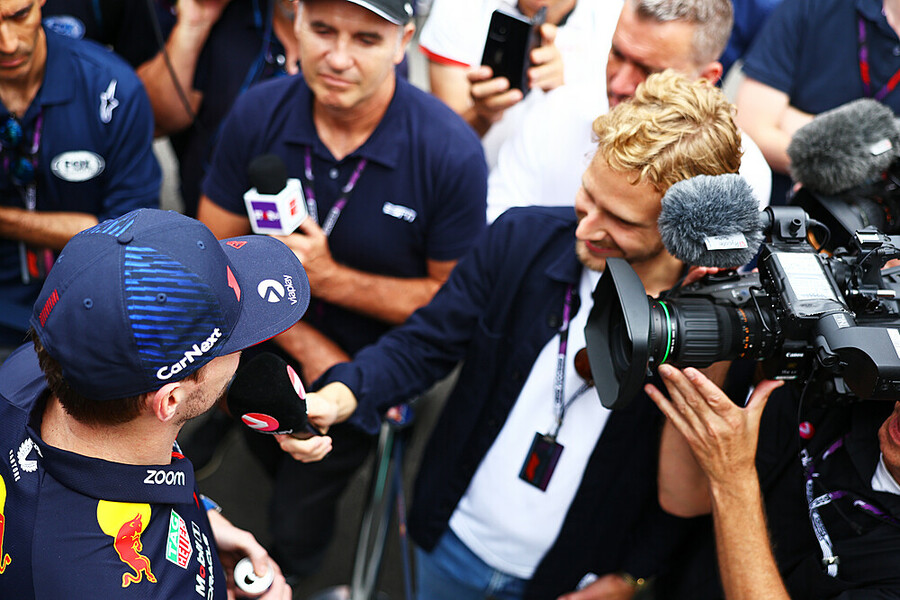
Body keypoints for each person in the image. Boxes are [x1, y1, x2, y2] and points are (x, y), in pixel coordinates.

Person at [292, 71, 745, 599]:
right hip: (449, 540)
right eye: (588, 194)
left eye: (620, 221)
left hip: (570, 582)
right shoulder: (522, 238)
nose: (584, 229)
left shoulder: (720, 323)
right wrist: (337, 397)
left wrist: (633, 577)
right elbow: (425, 343)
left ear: (685, 230)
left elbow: (701, 477)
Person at [197, 0, 488, 579]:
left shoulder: (450, 151)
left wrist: (330, 280)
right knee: (251, 452)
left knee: (299, 510)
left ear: (404, 41)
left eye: (366, 39)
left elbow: (450, 304)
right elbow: (211, 250)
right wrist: (301, 339)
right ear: (295, 21)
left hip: (372, 365)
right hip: (256, 346)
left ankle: (292, 572)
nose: (337, 57)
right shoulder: (258, 111)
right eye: (323, 30)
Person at [0, 207, 308, 598]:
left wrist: (202, 519)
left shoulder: (28, 371)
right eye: (233, 341)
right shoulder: (103, 587)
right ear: (170, 399)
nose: (244, 352)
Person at [485, 0, 772, 223]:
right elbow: (497, 237)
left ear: (705, 80)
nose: (619, 84)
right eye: (617, 54)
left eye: (649, 71)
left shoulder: (741, 177)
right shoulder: (556, 113)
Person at [648, 362, 900, 598]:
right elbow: (686, 497)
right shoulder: (855, 389)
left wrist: (733, 477)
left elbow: (724, 474)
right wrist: (705, 365)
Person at [0, 0, 161, 360]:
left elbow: (129, 235)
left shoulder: (112, 86)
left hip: (91, 319)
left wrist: (6, 221)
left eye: (19, 15)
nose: (8, 44)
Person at [136, 0, 302, 217]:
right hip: (211, 218)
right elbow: (152, 122)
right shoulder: (232, 16)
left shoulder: (339, 53)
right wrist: (194, 24)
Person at [734, 0, 900, 206]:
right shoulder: (811, 6)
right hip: (788, 208)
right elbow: (752, 127)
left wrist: (802, 126)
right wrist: (842, 169)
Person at [418, 0, 620, 168]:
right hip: (477, 180)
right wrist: (482, 114)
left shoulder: (617, 17)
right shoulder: (460, 7)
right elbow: (439, 149)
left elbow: (618, 148)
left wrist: (563, 95)